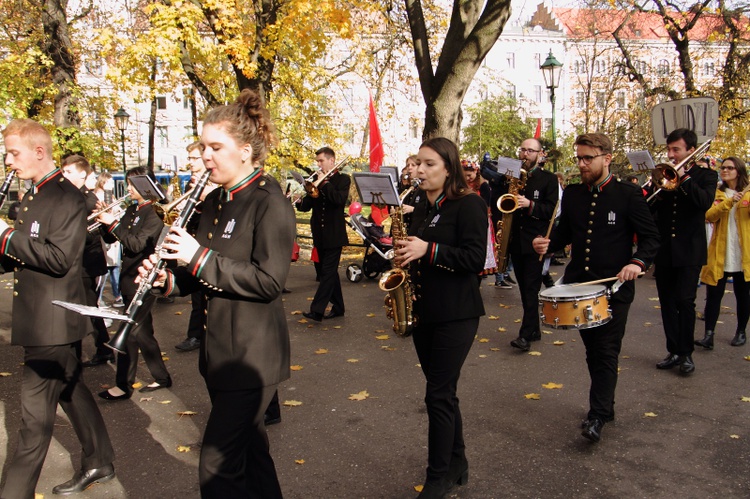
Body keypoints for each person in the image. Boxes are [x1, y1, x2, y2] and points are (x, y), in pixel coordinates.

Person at [141, 88, 295, 497]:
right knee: (254, 455)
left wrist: (198, 257)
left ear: (245, 150)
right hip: (219, 353)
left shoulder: (270, 203)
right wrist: (169, 281)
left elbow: (268, 281)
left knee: (217, 467)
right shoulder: (217, 201)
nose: (205, 155)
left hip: (252, 357)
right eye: (203, 146)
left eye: (215, 147)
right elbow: (199, 274)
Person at [0, 119, 115, 497]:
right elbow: (22, 254)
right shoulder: (34, 193)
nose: (8, 161)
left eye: (13, 153)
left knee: (32, 425)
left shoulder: (66, 196)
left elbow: (58, 259)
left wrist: (5, 237)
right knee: (71, 389)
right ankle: (100, 460)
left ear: (38, 151)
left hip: (52, 321)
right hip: (43, 319)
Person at [532, 133, 660, 443]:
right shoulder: (574, 194)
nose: (582, 163)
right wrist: (545, 245)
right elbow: (563, 236)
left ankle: (598, 414)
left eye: (588, 158)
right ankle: (606, 405)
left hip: (615, 287)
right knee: (593, 351)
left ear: (606, 157)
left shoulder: (628, 194)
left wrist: (638, 263)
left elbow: (652, 238)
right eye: (579, 158)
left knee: (605, 350)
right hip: (579, 287)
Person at [394, 137, 487, 498]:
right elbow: (416, 253)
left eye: (428, 164)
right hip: (425, 311)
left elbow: (475, 260)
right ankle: (458, 462)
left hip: (457, 314)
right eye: (418, 163)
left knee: (437, 395)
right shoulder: (419, 205)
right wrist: (403, 254)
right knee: (443, 394)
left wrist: (427, 249)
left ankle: (437, 478)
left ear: (449, 168)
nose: (419, 170)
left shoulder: (470, 206)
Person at [96, 166, 172, 400]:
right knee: (143, 333)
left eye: (132, 184)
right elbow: (114, 237)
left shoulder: (155, 213)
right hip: (129, 277)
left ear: (144, 186)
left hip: (144, 277)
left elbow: (136, 245)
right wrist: (104, 221)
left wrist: (113, 224)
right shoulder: (132, 209)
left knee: (129, 333)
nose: (128, 189)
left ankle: (123, 385)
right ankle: (162, 377)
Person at [649, 128, 718, 375]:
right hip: (666, 249)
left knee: (685, 301)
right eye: (669, 149)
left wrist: (684, 178)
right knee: (667, 302)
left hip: (690, 250)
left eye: (676, 149)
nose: (671, 154)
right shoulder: (664, 176)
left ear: (691, 150)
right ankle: (673, 350)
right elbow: (651, 207)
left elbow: (704, 203)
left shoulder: (706, 176)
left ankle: (686, 353)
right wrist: (653, 184)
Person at [490, 138, 559, 351]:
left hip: (535, 241)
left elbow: (551, 210)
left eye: (531, 150)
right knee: (525, 289)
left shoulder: (548, 179)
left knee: (530, 288)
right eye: (523, 150)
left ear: (540, 155)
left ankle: (525, 335)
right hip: (515, 240)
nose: (525, 154)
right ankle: (535, 329)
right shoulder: (509, 177)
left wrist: (530, 204)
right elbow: (498, 203)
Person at [60, 154, 114, 367]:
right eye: (63, 171)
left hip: (85, 263)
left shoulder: (88, 200)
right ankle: (100, 348)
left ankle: (100, 348)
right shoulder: (73, 197)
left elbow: (97, 234)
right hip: (76, 262)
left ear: (82, 174)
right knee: (82, 308)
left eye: (68, 172)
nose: (64, 176)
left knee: (87, 308)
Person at [695, 157, 750, 349]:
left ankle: (741, 331)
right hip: (720, 253)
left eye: (729, 168)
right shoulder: (717, 193)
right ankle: (708, 335)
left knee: (743, 296)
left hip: (743, 254)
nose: (724, 170)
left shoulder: (748, 194)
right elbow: (709, 215)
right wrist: (727, 202)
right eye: (723, 167)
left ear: (739, 171)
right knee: (713, 295)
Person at [296, 146, 350, 321]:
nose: (318, 164)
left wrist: (324, 183)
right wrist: (298, 200)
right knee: (328, 272)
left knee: (327, 273)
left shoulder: (343, 179)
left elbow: (339, 200)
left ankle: (317, 310)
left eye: (321, 161)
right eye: (317, 161)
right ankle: (339, 307)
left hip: (334, 234)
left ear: (331, 161)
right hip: (319, 234)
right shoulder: (315, 180)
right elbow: (306, 207)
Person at [174, 140, 217, 353]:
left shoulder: (213, 183)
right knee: (196, 293)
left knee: (202, 294)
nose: (189, 162)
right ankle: (197, 333)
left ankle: (197, 335)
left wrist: (202, 201)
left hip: (208, 245)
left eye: (193, 158)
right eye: (189, 158)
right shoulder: (192, 182)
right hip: (194, 240)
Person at [93, 171, 124, 308]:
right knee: (106, 269)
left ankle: (116, 296)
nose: (112, 184)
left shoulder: (108, 195)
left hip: (111, 237)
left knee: (113, 268)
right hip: (106, 236)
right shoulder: (101, 196)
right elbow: (110, 213)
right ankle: (101, 298)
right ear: (103, 182)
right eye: (110, 182)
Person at [464, 159, 497, 275]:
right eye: (465, 176)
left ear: (476, 172)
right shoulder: (462, 186)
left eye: (469, 175)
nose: (468, 178)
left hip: (481, 219)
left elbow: (487, 206)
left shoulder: (483, 186)